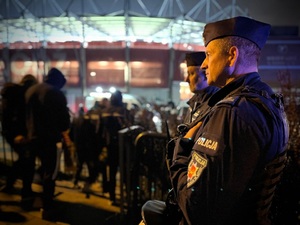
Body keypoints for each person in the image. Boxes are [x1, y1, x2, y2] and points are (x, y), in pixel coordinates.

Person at [166, 16, 289, 225]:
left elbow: (196, 209)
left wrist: (181, 150)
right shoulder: (268, 101)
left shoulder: (232, 112)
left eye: (209, 54)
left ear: (232, 55)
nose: (204, 64)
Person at [139, 52, 219, 225]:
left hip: (193, 193)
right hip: (184, 189)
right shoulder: (196, 104)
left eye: (191, 73)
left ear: (205, 73)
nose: (186, 79)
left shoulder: (215, 107)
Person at [25, 68, 71, 221]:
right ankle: (47, 207)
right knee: (49, 173)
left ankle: (26, 199)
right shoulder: (55, 93)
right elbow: (64, 122)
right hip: (49, 138)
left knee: (29, 169)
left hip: (31, 137)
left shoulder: (31, 90)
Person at [0, 74, 38, 210]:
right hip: (19, 133)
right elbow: (20, 115)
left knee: (24, 159)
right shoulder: (23, 94)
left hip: (10, 132)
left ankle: (10, 185)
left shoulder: (13, 92)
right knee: (28, 161)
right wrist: (20, 133)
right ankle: (26, 193)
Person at [101, 90, 130, 205]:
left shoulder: (105, 112)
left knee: (111, 172)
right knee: (125, 172)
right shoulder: (124, 112)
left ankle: (112, 197)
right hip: (123, 147)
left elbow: (101, 131)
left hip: (109, 147)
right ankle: (126, 196)